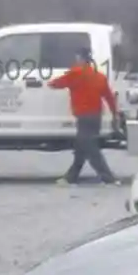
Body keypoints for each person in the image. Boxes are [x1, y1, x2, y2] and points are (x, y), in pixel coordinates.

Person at [49, 48, 119, 185]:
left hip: (83, 116)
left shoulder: (75, 73)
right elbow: (109, 97)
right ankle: (70, 177)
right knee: (82, 148)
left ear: (79, 57)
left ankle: (108, 178)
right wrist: (115, 114)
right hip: (96, 116)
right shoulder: (99, 76)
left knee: (91, 149)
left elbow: (54, 84)